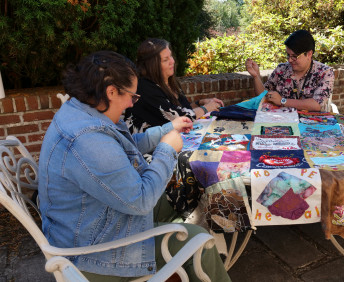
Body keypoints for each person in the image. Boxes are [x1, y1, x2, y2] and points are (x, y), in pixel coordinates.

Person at [37, 50, 231, 281]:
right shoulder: (87, 139)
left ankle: (185, 240)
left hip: (92, 220)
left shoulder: (82, 110)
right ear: (111, 92)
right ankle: (198, 254)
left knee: (184, 189)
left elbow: (125, 144)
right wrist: (166, 150)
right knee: (201, 242)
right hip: (94, 253)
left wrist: (167, 129)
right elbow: (141, 201)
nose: (132, 103)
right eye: (131, 95)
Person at [125, 38, 224, 133]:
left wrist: (200, 103)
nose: (172, 61)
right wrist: (206, 108)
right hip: (145, 146)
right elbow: (180, 118)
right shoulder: (145, 88)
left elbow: (183, 109)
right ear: (152, 65)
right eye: (165, 60)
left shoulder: (170, 83)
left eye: (171, 56)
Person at [245, 29, 335, 112]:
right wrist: (256, 76)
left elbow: (316, 105)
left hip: (312, 125)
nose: (290, 60)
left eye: (294, 56)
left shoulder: (324, 72)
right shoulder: (282, 69)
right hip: (281, 121)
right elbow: (263, 96)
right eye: (288, 55)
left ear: (309, 54)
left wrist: (282, 101)